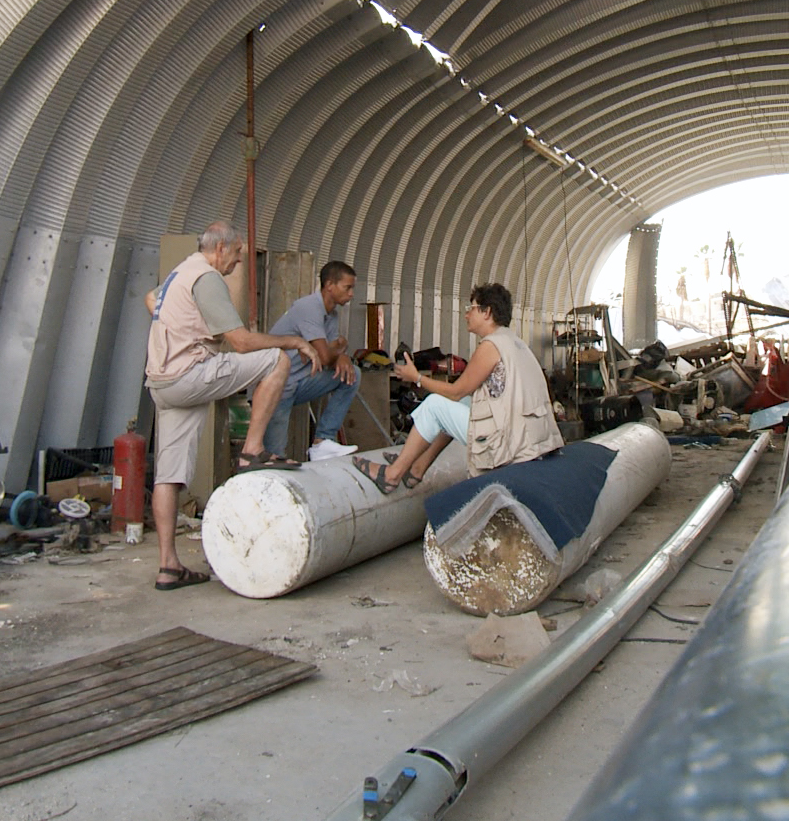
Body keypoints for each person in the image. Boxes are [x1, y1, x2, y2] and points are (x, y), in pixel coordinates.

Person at [145, 222, 322, 590]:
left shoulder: (182, 270)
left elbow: (152, 300)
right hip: (188, 374)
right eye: (238, 253)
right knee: (276, 360)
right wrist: (294, 341)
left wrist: (180, 328)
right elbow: (241, 343)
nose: (239, 261)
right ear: (221, 248)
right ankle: (252, 450)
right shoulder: (207, 278)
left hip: (162, 382)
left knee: (169, 473)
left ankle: (168, 566)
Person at [358, 282, 562, 492]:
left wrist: (416, 377)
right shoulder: (515, 343)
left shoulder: (491, 346)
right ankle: (416, 468)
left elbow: (456, 392)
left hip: (511, 445)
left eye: (471, 309)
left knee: (435, 405)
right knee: (459, 404)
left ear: (487, 312)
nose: (466, 315)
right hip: (531, 440)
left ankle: (391, 475)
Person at [263, 261, 363, 463]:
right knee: (274, 456)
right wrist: (338, 351)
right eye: (347, 287)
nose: (351, 294)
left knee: (353, 374)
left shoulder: (332, 314)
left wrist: (338, 353)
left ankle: (322, 441)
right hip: (276, 386)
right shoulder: (309, 307)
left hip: (300, 381)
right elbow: (327, 355)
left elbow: (329, 355)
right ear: (329, 285)